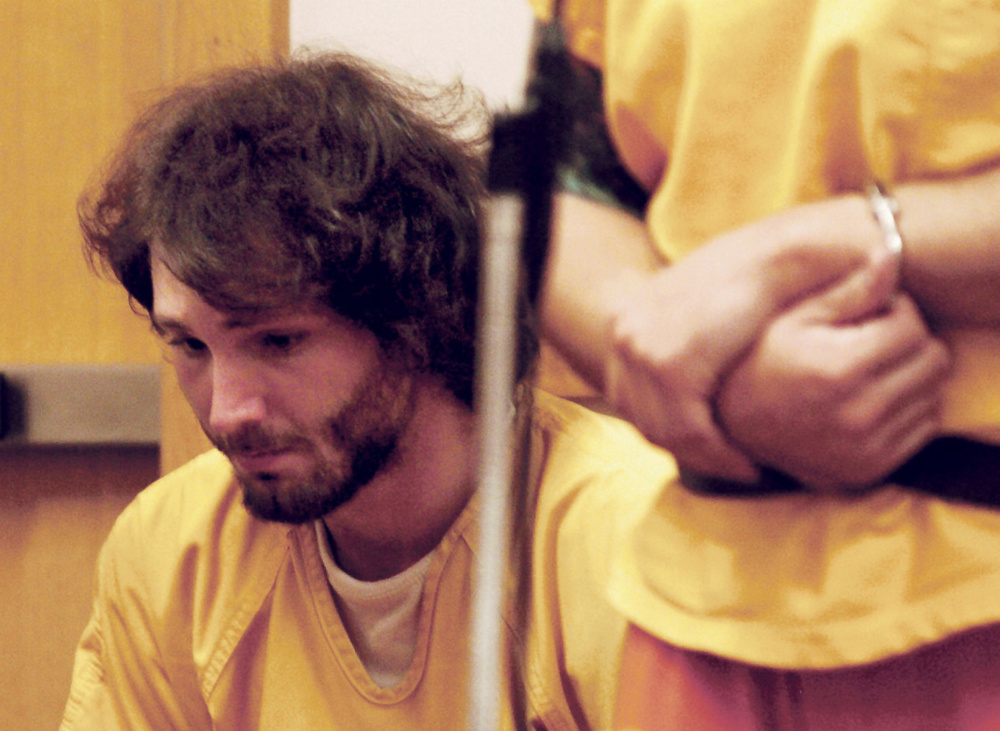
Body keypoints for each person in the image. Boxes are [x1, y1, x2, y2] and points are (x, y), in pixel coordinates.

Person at [59, 52, 678, 730]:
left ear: (417, 316)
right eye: (190, 346)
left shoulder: (632, 541)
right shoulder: (175, 550)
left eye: (279, 341)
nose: (227, 410)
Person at [527, 0, 1000, 728]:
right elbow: (562, 180)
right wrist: (697, 372)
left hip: (975, 589)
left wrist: (822, 247)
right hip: (702, 603)